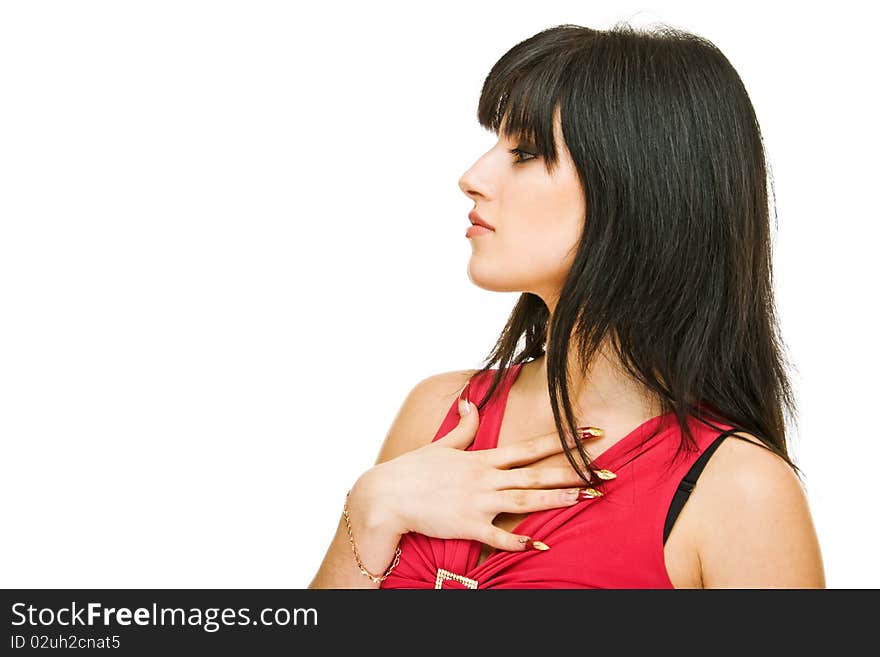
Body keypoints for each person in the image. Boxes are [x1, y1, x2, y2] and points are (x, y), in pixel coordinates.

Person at [309, 22, 825, 589]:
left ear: (637, 187)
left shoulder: (741, 492)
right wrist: (368, 512)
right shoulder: (439, 412)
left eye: (525, 152)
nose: (472, 177)